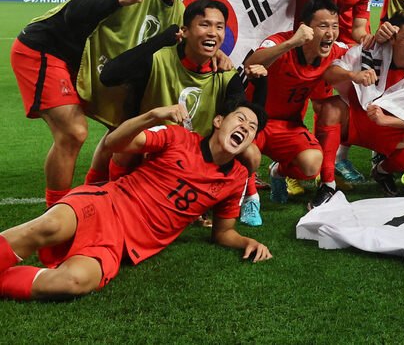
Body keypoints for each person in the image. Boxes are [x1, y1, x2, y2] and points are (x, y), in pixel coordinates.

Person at [10, 0, 215, 207]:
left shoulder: (177, 13)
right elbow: (74, 13)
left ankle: (90, 198)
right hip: (50, 47)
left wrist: (218, 57)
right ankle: (55, 217)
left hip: (92, 66)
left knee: (123, 130)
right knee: (73, 132)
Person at [0, 99, 272, 301]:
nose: (245, 128)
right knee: (47, 227)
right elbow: (115, 144)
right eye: (240, 119)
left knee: (72, 282)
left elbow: (223, 232)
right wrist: (154, 115)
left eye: (252, 128)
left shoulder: (235, 178)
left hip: (120, 245)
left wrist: (248, 242)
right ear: (218, 121)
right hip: (104, 203)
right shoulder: (178, 137)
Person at [85, 0, 264, 185]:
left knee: (251, 153)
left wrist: (261, 84)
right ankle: (114, 192)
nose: (212, 33)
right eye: (204, 25)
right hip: (154, 147)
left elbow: (250, 121)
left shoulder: (226, 74)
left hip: (199, 153)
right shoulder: (157, 59)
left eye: (219, 27)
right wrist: (162, 39)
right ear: (185, 31)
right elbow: (109, 76)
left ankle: (234, 196)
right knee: (123, 145)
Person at [241, 0, 348, 222]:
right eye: (323, 26)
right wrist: (291, 43)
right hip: (255, 121)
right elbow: (251, 64)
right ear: (305, 28)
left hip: (288, 125)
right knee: (247, 154)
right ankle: (250, 200)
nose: (330, 33)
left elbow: (364, 51)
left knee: (311, 164)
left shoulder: (335, 51)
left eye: (334, 26)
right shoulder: (280, 43)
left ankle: (278, 173)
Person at [322, 11, 404, 198]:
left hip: (388, 130)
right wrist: (353, 75)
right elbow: (329, 74)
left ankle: (382, 171)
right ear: (392, 39)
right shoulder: (371, 50)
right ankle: (326, 183)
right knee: (329, 108)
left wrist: (385, 120)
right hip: (357, 120)